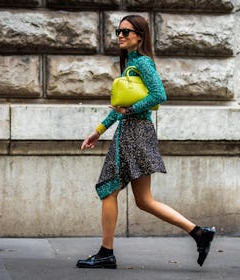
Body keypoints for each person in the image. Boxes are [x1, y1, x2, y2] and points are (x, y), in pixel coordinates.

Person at [76, 14, 215, 269]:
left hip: (134, 133)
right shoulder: (131, 64)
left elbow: (159, 94)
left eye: (126, 32)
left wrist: (131, 111)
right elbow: (120, 107)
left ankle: (106, 253)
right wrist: (98, 130)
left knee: (108, 189)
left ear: (140, 36)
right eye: (118, 31)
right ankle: (199, 233)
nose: (120, 35)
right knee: (144, 200)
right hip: (134, 131)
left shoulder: (142, 63)